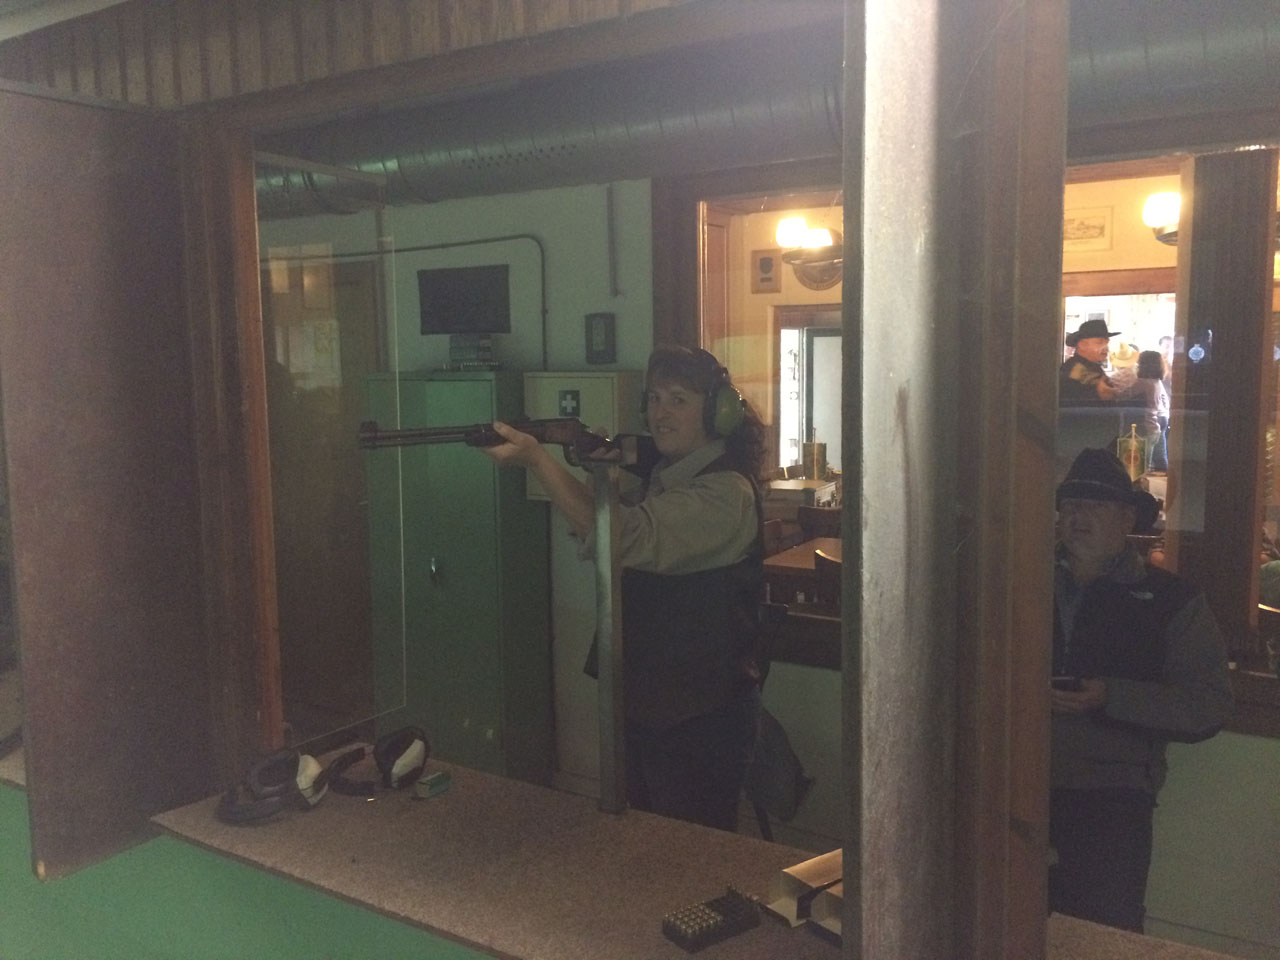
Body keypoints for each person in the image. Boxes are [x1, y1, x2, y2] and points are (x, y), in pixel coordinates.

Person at [481, 346, 767, 831]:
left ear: (718, 412)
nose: (660, 413)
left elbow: (619, 536)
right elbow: (607, 521)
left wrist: (538, 461)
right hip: (649, 701)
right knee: (644, 843)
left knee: (689, 852)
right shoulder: (665, 478)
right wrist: (594, 473)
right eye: (654, 398)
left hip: (699, 716)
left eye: (678, 400)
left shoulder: (724, 494)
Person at [1050, 448, 1232, 933]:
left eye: (1095, 504)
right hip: (1014, 784)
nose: (1078, 515)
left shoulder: (1171, 600)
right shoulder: (1017, 582)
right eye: (1071, 504)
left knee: (1102, 935)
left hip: (1112, 801)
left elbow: (1208, 705)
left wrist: (1111, 696)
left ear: (1127, 519)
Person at [1059, 318, 1123, 405]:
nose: (1106, 348)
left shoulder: (1090, 366)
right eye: (1099, 343)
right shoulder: (1076, 368)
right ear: (1082, 345)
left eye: (1106, 343)